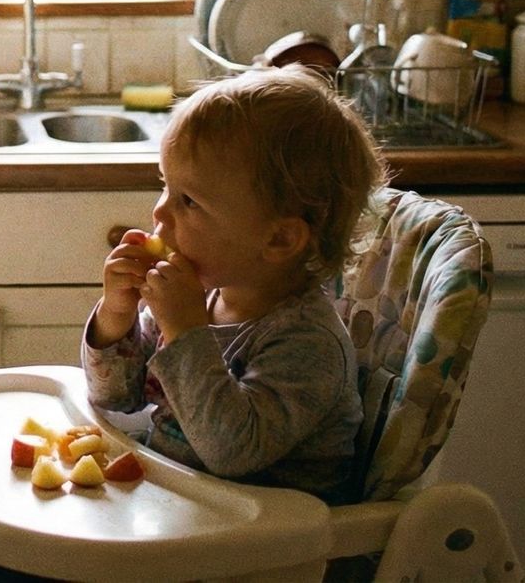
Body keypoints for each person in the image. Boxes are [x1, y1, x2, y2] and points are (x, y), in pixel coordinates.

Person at [81, 67, 379, 505]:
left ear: (278, 239)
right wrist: (115, 315)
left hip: (260, 552)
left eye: (190, 201)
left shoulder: (307, 342)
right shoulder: (198, 295)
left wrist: (185, 332)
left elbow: (231, 452)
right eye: (166, 187)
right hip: (180, 513)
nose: (160, 215)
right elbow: (116, 397)